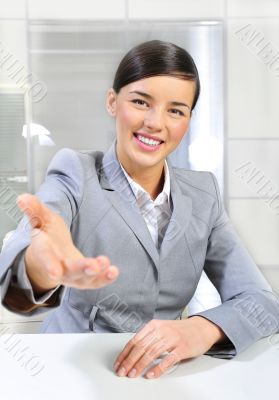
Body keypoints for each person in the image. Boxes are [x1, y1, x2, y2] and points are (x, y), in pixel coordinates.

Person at [0, 40, 278, 380]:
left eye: (175, 110)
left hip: (162, 376)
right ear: (113, 102)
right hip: (73, 373)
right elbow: (25, 257)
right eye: (140, 102)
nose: (154, 123)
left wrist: (197, 330)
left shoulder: (203, 194)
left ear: (188, 119)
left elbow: (261, 302)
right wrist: (42, 267)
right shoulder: (76, 171)